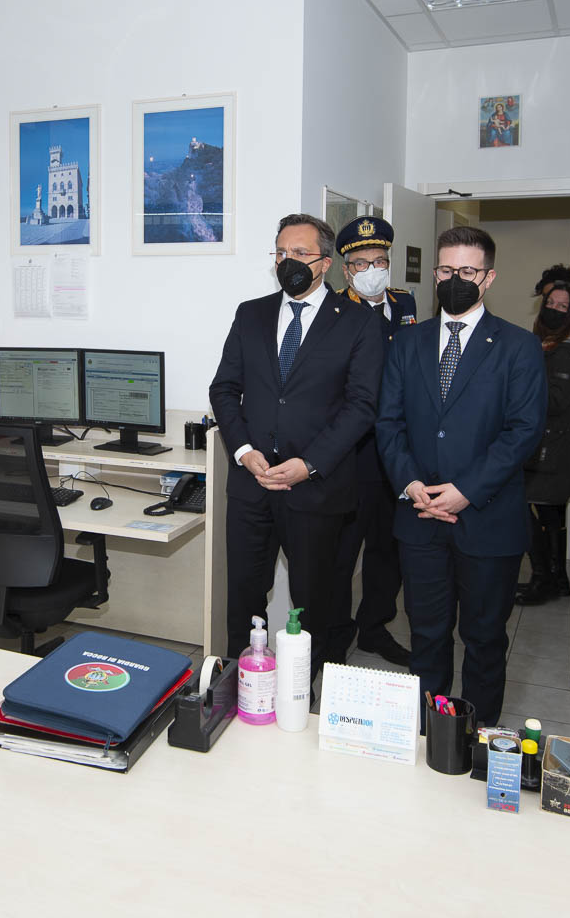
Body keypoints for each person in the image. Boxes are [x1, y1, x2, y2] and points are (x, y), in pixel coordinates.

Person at [375, 226, 546, 722]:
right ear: (434, 274)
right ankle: (432, 736)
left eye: (467, 271)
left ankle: (475, 739)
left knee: (484, 640)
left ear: (488, 277)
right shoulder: (408, 342)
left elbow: (523, 431)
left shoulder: (518, 346)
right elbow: (389, 421)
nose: (455, 279)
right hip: (419, 516)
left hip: (488, 521)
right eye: (446, 270)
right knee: (426, 637)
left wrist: (466, 491)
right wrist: (410, 485)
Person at [209, 213, 383, 679]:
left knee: (316, 605)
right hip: (251, 485)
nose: (290, 262)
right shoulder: (252, 314)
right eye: (281, 253)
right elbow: (224, 389)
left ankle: (308, 699)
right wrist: (244, 451)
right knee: (244, 599)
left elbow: (362, 406)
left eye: (300, 253)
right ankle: (238, 686)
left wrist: (310, 463)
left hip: (316, 489)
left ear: (325, 263)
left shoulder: (359, 323)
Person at [328, 215, 417, 667]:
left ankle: (374, 628)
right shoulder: (334, 311)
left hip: (396, 452)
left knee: (389, 550)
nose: (372, 269)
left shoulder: (405, 303)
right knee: (342, 553)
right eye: (361, 263)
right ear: (346, 270)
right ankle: (336, 634)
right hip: (351, 453)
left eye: (379, 260)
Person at [518, 267, 570, 605]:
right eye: (550, 303)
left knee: (536, 513)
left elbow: (556, 400)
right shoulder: (547, 343)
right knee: (550, 516)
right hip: (546, 445)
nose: (554, 310)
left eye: (563, 306)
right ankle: (555, 580)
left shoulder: (569, 350)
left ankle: (545, 579)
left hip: (554, 449)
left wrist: (520, 385)